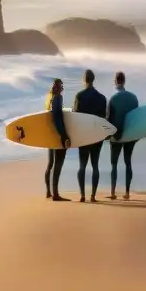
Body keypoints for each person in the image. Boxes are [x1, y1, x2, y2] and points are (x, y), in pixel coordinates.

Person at [73, 69, 108, 203]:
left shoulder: (79, 96)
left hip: (84, 135)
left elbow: (75, 117)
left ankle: (82, 195)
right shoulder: (101, 98)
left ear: (84, 80)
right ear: (93, 79)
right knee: (95, 166)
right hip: (96, 135)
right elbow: (104, 118)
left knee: (82, 166)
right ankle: (93, 196)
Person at [107, 71, 139, 200]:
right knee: (128, 162)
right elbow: (137, 117)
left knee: (114, 164)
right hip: (130, 135)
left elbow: (109, 118)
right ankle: (127, 192)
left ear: (115, 81)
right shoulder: (133, 97)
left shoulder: (113, 98)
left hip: (116, 135)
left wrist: (106, 134)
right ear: (124, 81)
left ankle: (113, 192)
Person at [45, 78, 70, 201]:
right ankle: (55, 194)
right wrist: (64, 135)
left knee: (50, 164)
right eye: (61, 86)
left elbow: (48, 115)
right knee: (58, 164)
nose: (62, 88)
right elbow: (57, 118)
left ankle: (48, 192)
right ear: (59, 88)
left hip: (49, 135)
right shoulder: (58, 97)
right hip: (57, 135)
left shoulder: (49, 97)